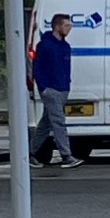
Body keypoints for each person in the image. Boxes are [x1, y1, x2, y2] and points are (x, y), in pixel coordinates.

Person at [31, 9, 78, 168]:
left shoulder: (65, 46)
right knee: (59, 122)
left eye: (69, 25)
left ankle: (30, 153)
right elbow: (37, 68)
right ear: (57, 26)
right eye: (66, 25)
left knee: (46, 124)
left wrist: (67, 86)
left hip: (62, 89)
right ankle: (66, 156)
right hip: (51, 89)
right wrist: (43, 87)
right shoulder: (45, 45)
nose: (69, 28)